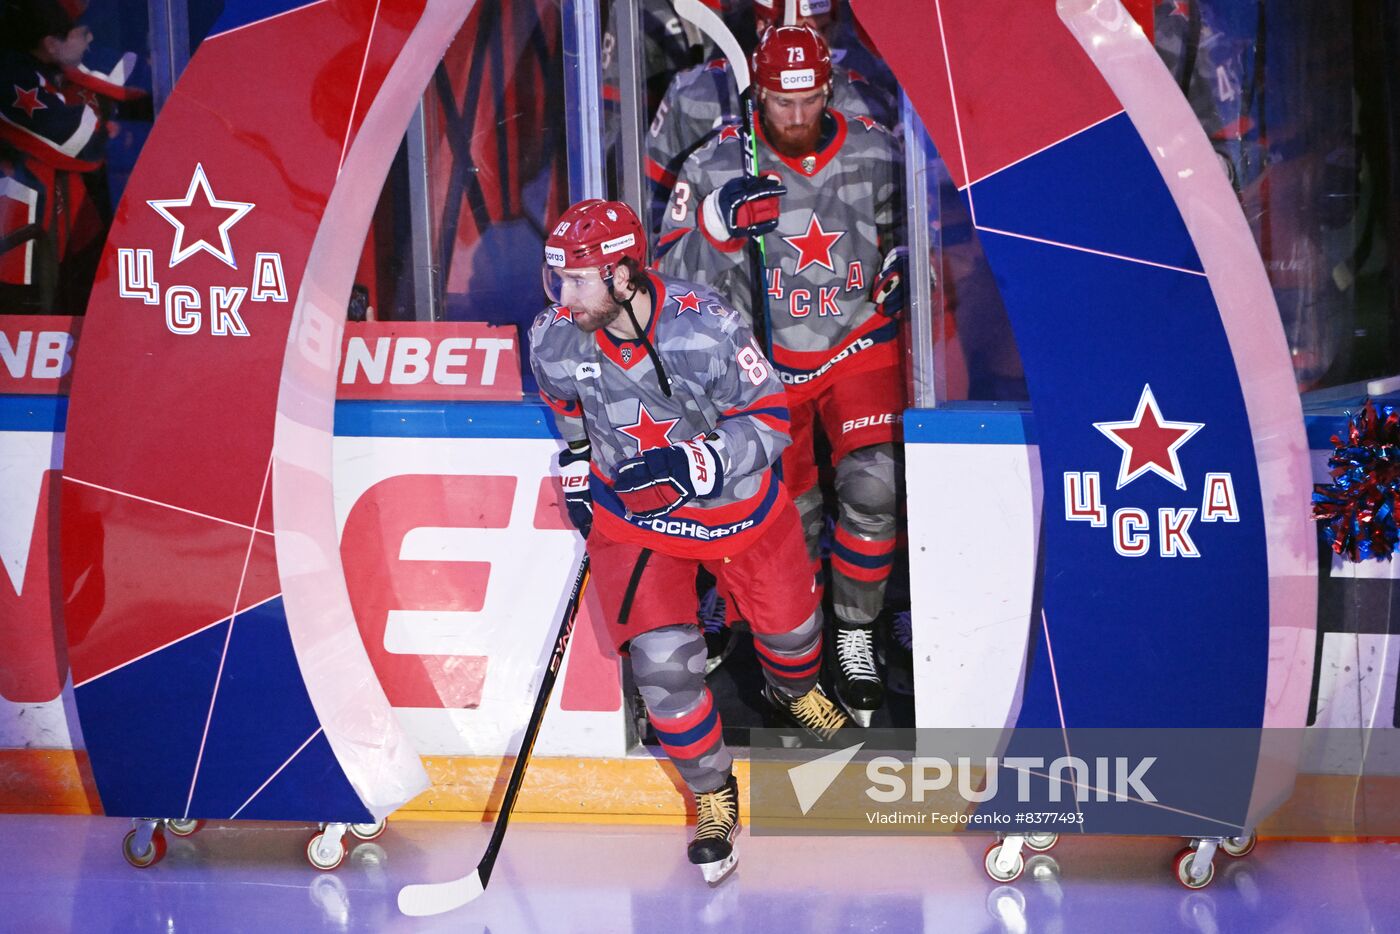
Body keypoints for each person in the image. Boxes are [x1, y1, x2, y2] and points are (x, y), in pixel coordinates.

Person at [530, 198, 849, 885]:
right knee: (663, 669)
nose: (564, 296)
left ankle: (793, 689)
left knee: (794, 639)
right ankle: (713, 795)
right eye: (559, 279)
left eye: (579, 281)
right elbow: (568, 408)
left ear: (623, 274)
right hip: (641, 526)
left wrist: (697, 461)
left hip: (743, 515)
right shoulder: (555, 335)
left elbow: (772, 419)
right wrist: (581, 468)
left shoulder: (707, 326)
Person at [657, 24, 905, 727]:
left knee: (874, 484)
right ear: (756, 95)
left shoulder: (873, 145)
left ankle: (857, 629)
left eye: (807, 102)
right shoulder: (716, 163)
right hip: (761, 362)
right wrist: (716, 222)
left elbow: (924, 229)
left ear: (828, 89)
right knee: (789, 521)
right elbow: (664, 280)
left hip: (856, 339)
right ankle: (800, 647)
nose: (794, 119)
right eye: (778, 103)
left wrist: (907, 265)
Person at [643, 0, 894, 236]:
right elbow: (653, 207)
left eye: (825, 29)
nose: (818, 45)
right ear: (763, 26)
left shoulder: (865, 101)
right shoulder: (696, 95)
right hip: (735, 273)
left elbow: (898, 217)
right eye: (802, 30)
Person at [0, 0, 143, 315]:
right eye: (84, 33)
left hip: (63, 238)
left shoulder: (53, 70)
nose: (91, 40)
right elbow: (80, 142)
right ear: (52, 43)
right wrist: (106, 128)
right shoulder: (12, 78)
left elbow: (140, 86)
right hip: (17, 254)